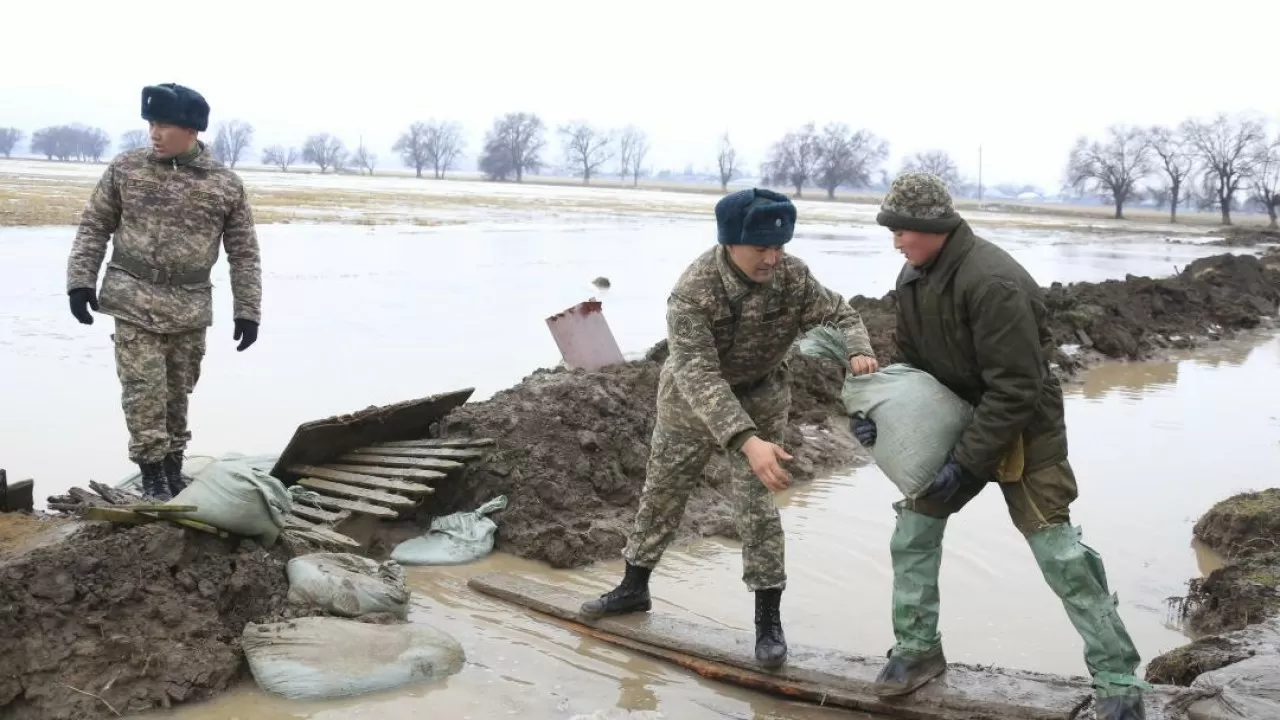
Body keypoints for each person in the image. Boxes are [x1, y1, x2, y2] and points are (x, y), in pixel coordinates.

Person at [851, 172, 1147, 719]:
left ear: (933, 228)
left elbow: (1016, 388)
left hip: (1022, 428)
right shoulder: (912, 277)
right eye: (892, 232)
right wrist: (882, 415)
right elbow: (913, 367)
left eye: (902, 232)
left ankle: (1118, 679)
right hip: (950, 421)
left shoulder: (993, 282)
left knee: (1061, 555)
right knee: (913, 532)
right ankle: (917, 651)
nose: (895, 242)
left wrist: (965, 466)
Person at [579, 187, 879, 669]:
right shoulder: (693, 291)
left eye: (779, 246)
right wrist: (746, 442)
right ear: (730, 242)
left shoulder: (793, 276)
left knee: (758, 508)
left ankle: (768, 624)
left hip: (762, 397)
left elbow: (840, 312)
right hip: (690, 404)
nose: (772, 257)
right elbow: (698, 374)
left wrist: (857, 347)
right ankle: (633, 589)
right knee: (662, 494)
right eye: (761, 247)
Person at [65, 83, 263, 502]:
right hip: (131, 300)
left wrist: (248, 311)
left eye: (164, 125)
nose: (154, 133)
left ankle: (173, 468)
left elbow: (243, 253)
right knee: (142, 390)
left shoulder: (224, 185)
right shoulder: (126, 169)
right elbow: (94, 226)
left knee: (178, 391)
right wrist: (80, 282)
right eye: (151, 123)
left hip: (190, 307)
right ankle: (152, 474)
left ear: (191, 130)